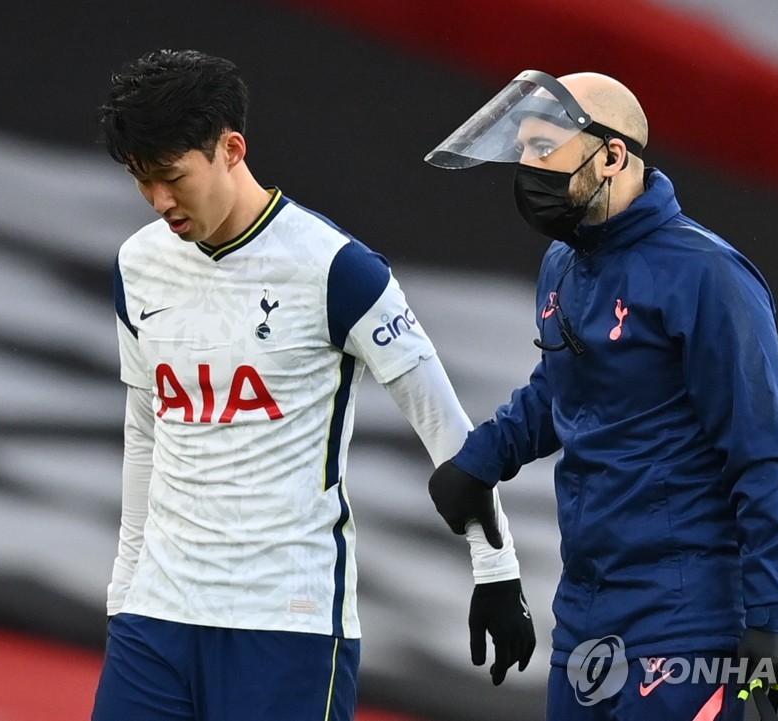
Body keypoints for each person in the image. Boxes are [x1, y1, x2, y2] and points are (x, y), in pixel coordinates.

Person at [90, 49, 535, 721]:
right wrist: (124, 593)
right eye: (141, 180)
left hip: (287, 625)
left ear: (231, 149)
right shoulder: (138, 264)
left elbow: (445, 426)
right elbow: (147, 431)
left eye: (172, 177)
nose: (159, 202)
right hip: (155, 619)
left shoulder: (337, 270)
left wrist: (495, 569)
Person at [425, 70, 778, 720]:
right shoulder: (564, 262)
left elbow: (764, 456)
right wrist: (482, 459)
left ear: (611, 155)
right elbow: (563, 387)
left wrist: (774, 617)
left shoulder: (708, 276)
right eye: (523, 149)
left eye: (544, 148)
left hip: (685, 619)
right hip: (584, 613)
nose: (527, 169)